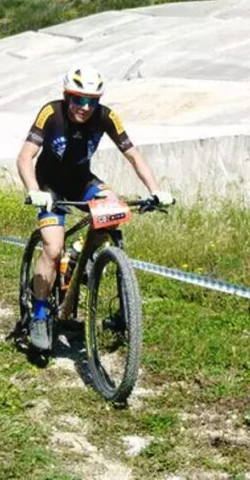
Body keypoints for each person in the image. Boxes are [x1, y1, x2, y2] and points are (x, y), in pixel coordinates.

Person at [16, 64, 173, 352]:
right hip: (49, 185)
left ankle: (78, 254)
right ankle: (39, 315)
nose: (84, 107)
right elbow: (25, 156)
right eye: (78, 99)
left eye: (91, 101)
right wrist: (33, 190)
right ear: (67, 96)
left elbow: (133, 155)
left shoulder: (107, 117)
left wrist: (155, 190)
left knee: (112, 211)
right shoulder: (51, 113)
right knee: (52, 249)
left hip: (81, 180)